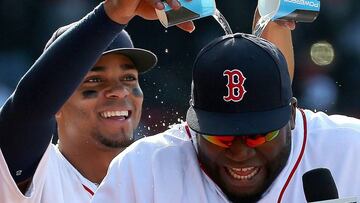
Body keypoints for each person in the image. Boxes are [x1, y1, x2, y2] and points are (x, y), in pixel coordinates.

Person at [91, 26, 360, 203]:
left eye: (258, 136)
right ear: (192, 124)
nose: (240, 152)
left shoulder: (350, 149)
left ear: (290, 116)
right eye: (221, 137)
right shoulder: (143, 170)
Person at [0, 0, 195, 202]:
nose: (120, 91)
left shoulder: (163, 178)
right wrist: (111, 16)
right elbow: (29, 108)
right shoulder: (39, 175)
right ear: (56, 101)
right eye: (94, 80)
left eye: (129, 78)